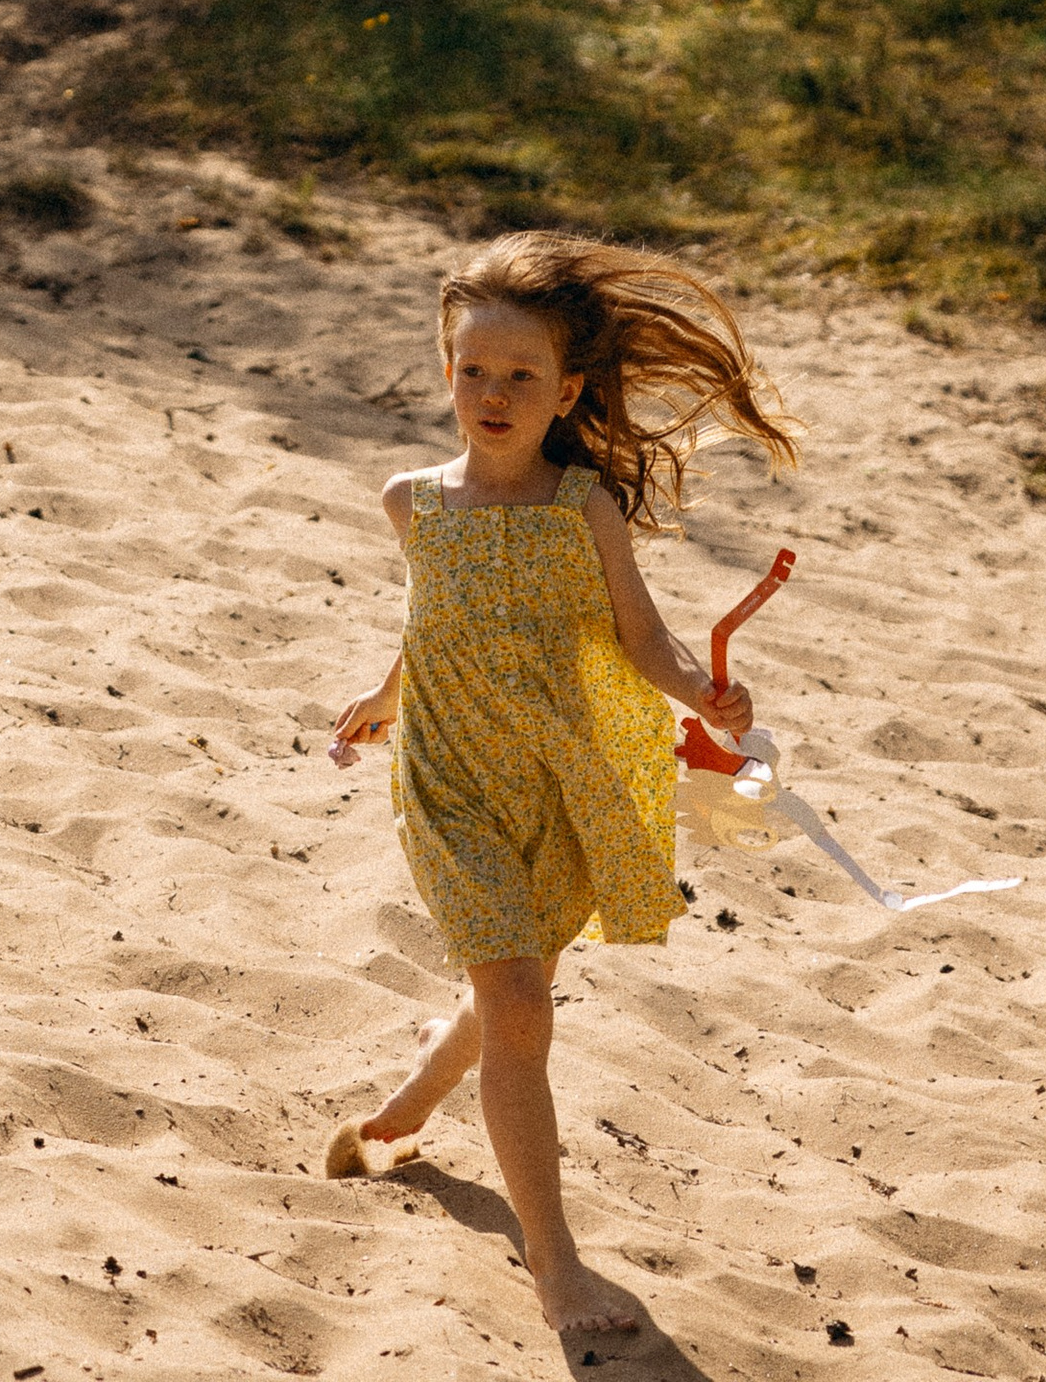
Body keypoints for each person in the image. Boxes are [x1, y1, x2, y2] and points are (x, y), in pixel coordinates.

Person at [325, 229, 798, 1339]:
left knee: (514, 988)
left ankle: (405, 1110)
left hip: (553, 773)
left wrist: (703, 697)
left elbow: (645, 639)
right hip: (448, 781)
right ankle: (555, 1269)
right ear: (447, 373)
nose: (492, 394)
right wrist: (385, 697)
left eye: (520, 376)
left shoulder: (582, 505)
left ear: (566, 390)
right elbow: (433, 623)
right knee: (523, 1003)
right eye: (473, 371)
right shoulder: (410, 502)